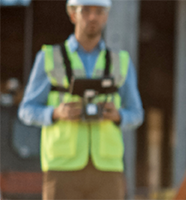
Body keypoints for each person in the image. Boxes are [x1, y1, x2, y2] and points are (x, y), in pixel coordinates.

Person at [17, 0, 143, 199]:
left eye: (99, 11)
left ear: (107, 15)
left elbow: (136, 113)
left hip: (107, 168)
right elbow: (26, 110)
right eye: (86, 11)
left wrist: (118, 116)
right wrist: (56, 113)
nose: (92, 17)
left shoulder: (122, 61)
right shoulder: (49, 57)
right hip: (61, 167)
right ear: (72, 14)